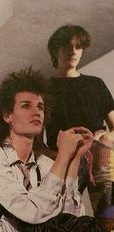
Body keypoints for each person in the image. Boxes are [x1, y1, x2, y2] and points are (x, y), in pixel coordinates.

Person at [0, 68, 109, 232]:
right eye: (26, 106)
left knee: (89, 226)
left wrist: (74, 158)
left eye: (40, 107)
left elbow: (71, 217)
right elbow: (31, 211)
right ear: (8, 116)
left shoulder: (45, 164)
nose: (36, 112)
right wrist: (62, 157)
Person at [46, 24, 114, 191]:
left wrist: (105, 140)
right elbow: (38, 142)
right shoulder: (44, 90)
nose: (73, 51)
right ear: (55, 51)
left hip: (99, 156)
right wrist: (59, 158)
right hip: (64, 161)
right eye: (67, 46)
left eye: (78, 46)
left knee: (108, 213)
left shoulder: (95, 84)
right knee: (65, 214)